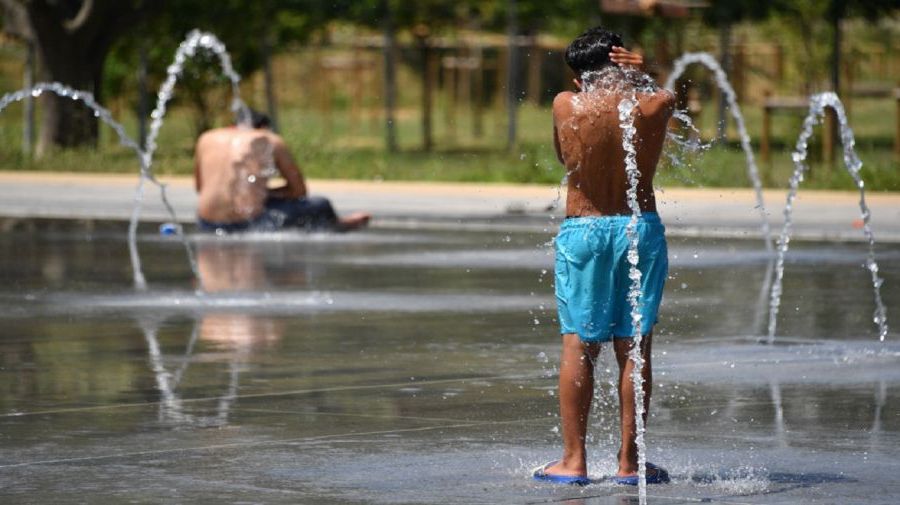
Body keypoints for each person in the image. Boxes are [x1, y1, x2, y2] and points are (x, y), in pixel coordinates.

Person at [532, 27, 674, 486]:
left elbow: (564, 158)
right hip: (639, 228)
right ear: (624, 68)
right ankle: (630, 463)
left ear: (579, 77)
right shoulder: (654, 106)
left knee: (580, 344)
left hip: (584, 230)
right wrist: (643, 76)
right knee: (634, 345)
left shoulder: (564, 105)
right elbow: (668, 95)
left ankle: (573, 462)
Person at [194, 111, 370, 233]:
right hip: (247, 224)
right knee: (320, 204)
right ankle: (336, 226)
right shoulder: (270, 140)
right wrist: (264, 193)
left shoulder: (207, 138)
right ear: (264, 127)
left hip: (207, 222)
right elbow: (299, 191)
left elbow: (200, 187)